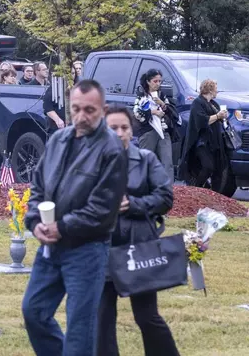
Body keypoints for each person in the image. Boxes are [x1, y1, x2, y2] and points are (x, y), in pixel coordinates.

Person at [22, 79, 128, 356]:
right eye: (76, 109)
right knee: (34, 312)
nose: (81, 116)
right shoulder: (58, 140)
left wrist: (62, 227)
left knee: (80, 329)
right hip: (50, 246)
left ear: (103, 110)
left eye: (89, 110)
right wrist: (34, 222)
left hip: (87, 249)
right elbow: (38, 188)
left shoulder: (112, 149)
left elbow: (102, 210)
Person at [98, 105, 179, 356]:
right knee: (101, 320)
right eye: (113, 128)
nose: (120, 133)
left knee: (146, 317)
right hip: (101, 250)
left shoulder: (146, 159)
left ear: (131, 130)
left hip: (138, 248)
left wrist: (132, 204)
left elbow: (165, 198)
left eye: (124, 127)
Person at [179, 79, 230, 189]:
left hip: (214, 142)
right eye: (216, 89)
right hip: (201, 142)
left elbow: (218, 119)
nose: (217, 92)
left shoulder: (213, 103)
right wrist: (217, 116)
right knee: (208, 166)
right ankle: (196, 188)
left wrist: (223, 116)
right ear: (210, 90)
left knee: (218, 168)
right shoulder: (198, 103)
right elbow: (202, 121)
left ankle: (210, 192)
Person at [133, 69, 177, 183]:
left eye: (159, 81)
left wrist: (161, 104)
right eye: (155, 81)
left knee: (167, 162)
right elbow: (137, 113)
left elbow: (171, 112)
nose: (158, 84)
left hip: (163, 131)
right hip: (148, 131)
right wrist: (153, 112)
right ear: (148, 81)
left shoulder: (162, 95)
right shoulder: (142, 95)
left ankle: (168, 190)